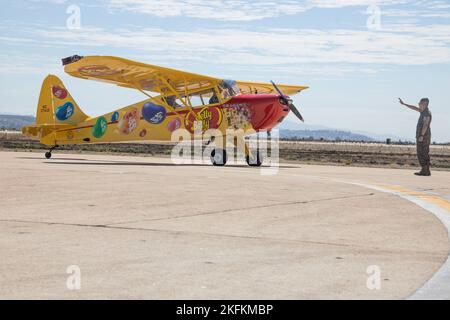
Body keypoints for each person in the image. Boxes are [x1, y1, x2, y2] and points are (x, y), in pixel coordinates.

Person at [399, 98, 433, 176]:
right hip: (422, 136)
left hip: (424, 137)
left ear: (424, 104)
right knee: (421, 152)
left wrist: (421, 135)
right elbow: (414, 108)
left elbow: (426, 125)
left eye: (420, 103)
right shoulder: (423, 112)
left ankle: (425, 170)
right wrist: (404, 104)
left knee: (423, 152)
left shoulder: (426, 113)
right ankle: (425, 170)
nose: (418, 104)